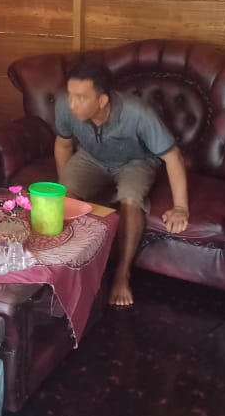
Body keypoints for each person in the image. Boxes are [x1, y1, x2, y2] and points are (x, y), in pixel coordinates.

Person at [54, 60, 190, 308]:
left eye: (80, 98)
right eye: (70, 95)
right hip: (90, 158)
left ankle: (122, 273)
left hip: (136, 161)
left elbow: (173, 157)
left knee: (130, 199)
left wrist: (181, 207)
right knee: (62, 201)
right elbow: (63, 145)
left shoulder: (138, 113)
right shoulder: (65, 106)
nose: (71, 103)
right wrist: (65, 190)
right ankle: (67, 269)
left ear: (102, 100)